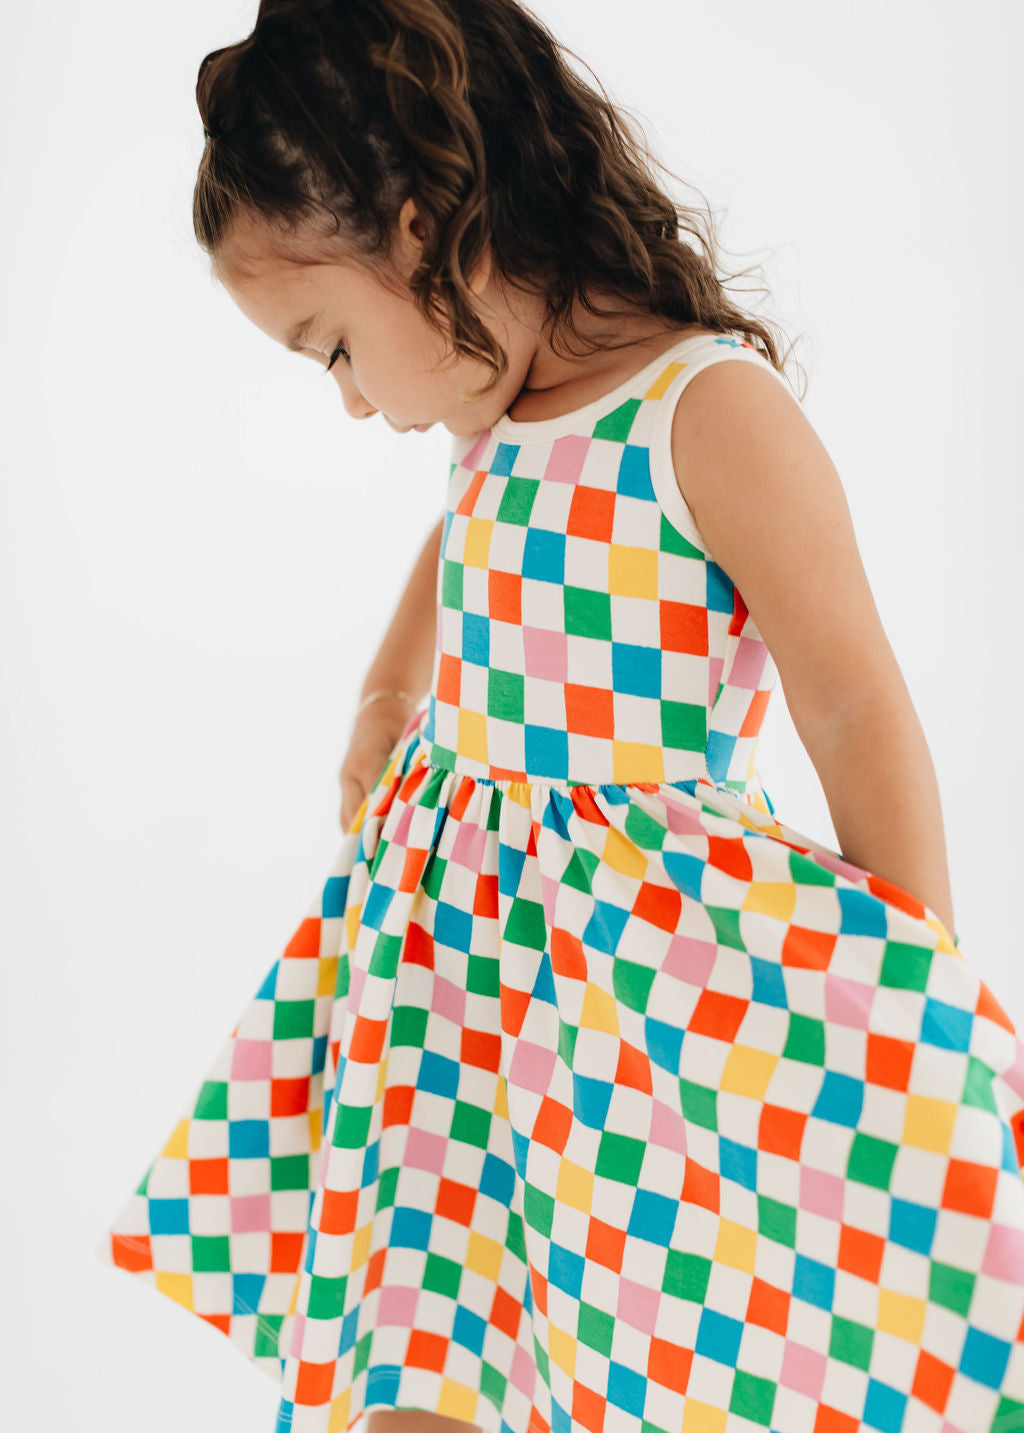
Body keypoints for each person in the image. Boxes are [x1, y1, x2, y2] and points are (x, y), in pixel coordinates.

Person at [95, 2, 1024, 1431]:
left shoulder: (707, 412)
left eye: (332, 347)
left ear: (421, 233)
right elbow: (463, 537)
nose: (351, 403)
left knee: (628, 1344)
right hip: (448, 986)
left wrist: (907, 1024)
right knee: (416, 1343)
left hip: (625, 1002)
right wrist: (387, 691)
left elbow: (853, 704)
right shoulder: (495, 418)